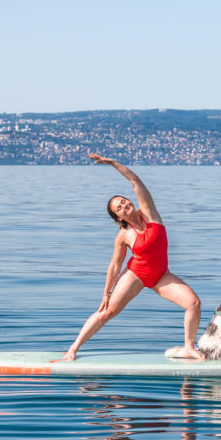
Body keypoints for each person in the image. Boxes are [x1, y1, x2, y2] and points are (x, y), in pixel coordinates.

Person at [64, 154, 204, 361]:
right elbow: (115, 266)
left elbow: (134, 181)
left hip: (161, 276)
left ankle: (188, 348)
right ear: (118, 218)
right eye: (119, 208)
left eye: (123, 201)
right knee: (106, 312)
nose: (124, 205)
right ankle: (72, 350)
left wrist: (112, 163)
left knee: (193, 303)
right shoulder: (123, 236)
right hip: (135, 275)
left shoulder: (149, 213)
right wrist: (106, 293)